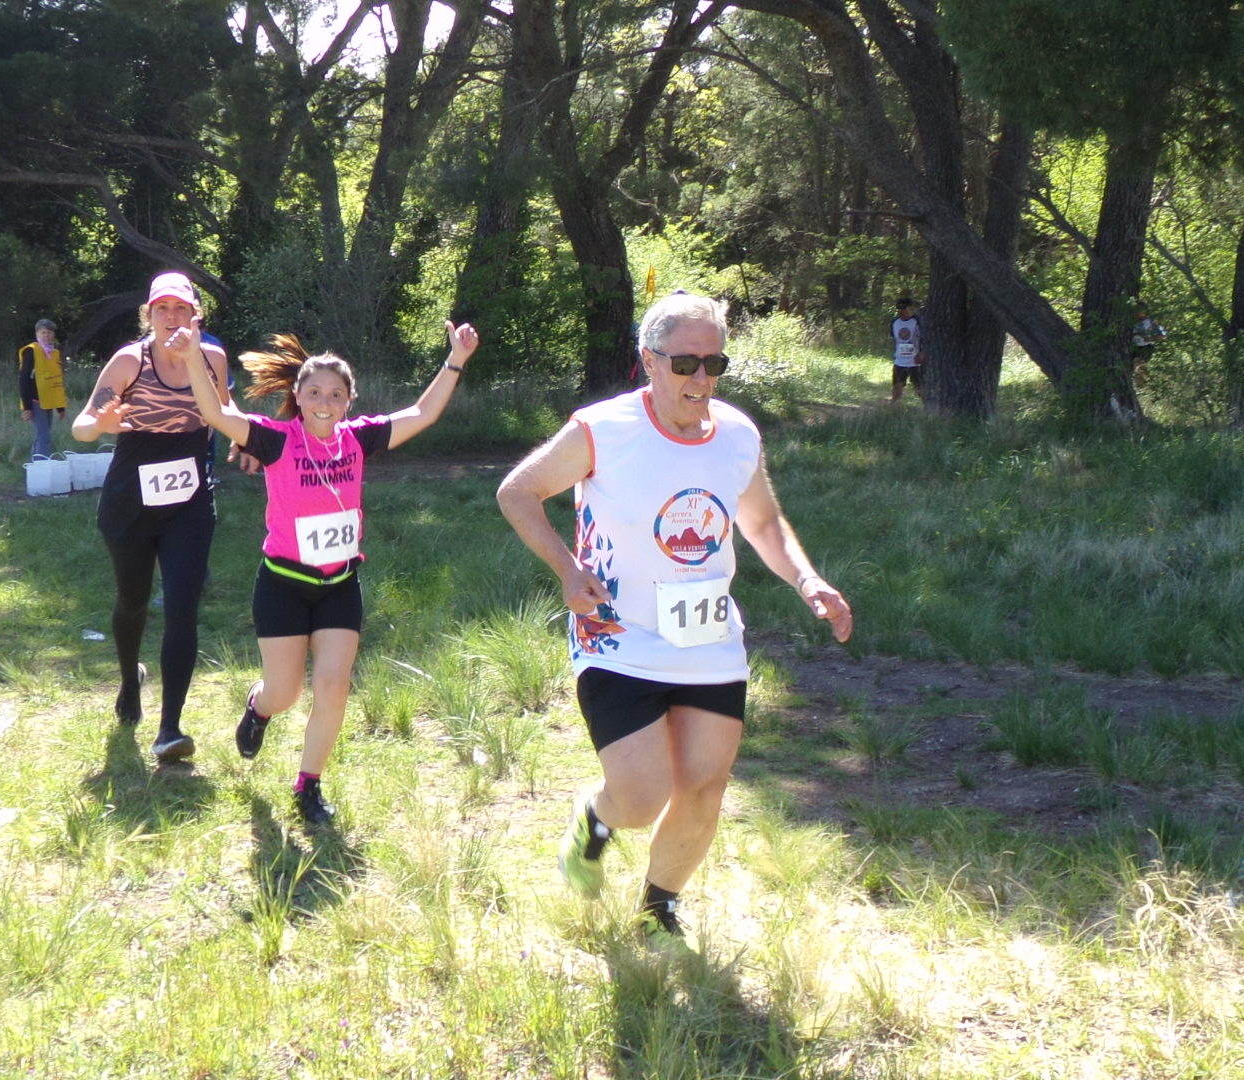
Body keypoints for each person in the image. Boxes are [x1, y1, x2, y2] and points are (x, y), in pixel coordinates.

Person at [496, 291, 852, 943]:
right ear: (649, 360)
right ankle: (596, 820)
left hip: (707, 638)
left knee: (704, 787)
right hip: (618, 636)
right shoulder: (603, 430)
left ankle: (658, 910)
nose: (701, 378)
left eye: (714, 364)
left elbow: (762, 522)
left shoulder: (737, 435)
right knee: (640, 797)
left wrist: (807, 579)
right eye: (685, 363)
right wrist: (568, 571)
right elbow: (517, 492)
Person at [181, 321, 480, 825]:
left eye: (336, 394)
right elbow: (216, 413)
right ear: (298, 397)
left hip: (340, 585)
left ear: (349, 401)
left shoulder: (358, 439)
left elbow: (422, 414)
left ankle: (308, 785)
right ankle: (260, 707)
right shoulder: (275, 439)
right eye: (315, 392)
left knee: (333, 685)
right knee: (285, 692)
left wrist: (456, 360)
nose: (325, 402)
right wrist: (193, 355)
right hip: (283, 585)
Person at [73, 272, 234, 761]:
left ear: (195, 316)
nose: (172, 317)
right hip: (131, 500)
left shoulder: (212, 358)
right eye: (162, 308)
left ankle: (170, 728)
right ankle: (129, 678)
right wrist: (101, 424)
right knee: (133, 603)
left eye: (181, 308)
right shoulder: (130, 361)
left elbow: (226, 413)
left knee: (183, 606)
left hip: (189, 503)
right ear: (149, 315)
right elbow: (82, 425)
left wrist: (250, 442)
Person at [19, 318, 67, 459]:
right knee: (44, 436)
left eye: (49, 333)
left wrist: (60, 408)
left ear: (54, 335)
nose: (46, 336)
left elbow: (56, 381)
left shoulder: (54, 353)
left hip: (48, 401)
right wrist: (27, 407)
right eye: (43, 332)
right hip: (34, 400)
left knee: (42, 435)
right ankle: (42, 466)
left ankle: (34, 467)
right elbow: (24, 379)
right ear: (37, 334)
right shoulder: (31, 351)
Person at [889, 297, 922, 404]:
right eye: (899, 308)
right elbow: (894, 339)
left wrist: (922, 353)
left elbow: (925, 339)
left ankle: (929, 408)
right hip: (899, 361)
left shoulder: (917, 321)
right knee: (897, 387)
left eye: (904, 308)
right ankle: (894, 408)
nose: (901, 311)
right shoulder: (894, 322)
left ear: (910, 308)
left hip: (915, 362)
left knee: (920, 388)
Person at [1130, 304, 1165, 387]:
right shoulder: (1131, 322)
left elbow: (1162, 335)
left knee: (1138, 363)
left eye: (1141, 311)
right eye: (1137, 311)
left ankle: (1144, 382)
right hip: (1135, 346)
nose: (1139, 313)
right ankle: (1140, 381)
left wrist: (1151, 338)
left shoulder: (1151, 322)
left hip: (1146, 347)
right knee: (1134, 365)